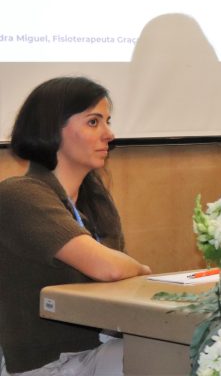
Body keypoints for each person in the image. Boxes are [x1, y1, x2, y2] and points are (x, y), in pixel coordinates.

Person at [0, 77, 151, 376]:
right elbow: (109, 269)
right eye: (93, 122)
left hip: (95, 347)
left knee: (176, 353)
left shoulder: (96, 200)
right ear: (51, 129)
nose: (109, 134)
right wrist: (142, 269)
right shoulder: (18, 194)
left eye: (107, 121)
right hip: (44, 363)